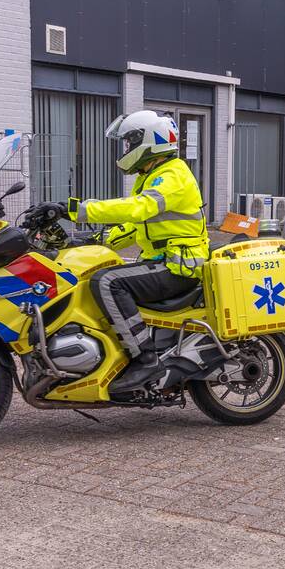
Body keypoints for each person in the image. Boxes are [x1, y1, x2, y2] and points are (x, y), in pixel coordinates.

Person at [55, 111, 209, 392]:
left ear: (150, 142)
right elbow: (135, 225)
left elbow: (138, 207)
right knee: (96, 271)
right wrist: (96, 242)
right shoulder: (155, 174)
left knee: (108, 281)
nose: (126, 149)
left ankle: (145, 359)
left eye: (130, 142)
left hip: (179, 267)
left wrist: (76, 210)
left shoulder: (172, 175)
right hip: (165, 261)